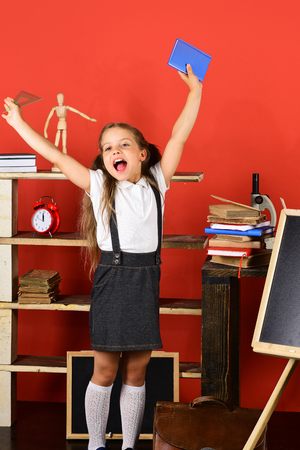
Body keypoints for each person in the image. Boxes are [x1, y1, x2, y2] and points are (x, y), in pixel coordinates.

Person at [2, 64, 203, 450]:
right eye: (108, 147)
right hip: (114, 281)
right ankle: (96, 444)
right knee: (106, 369)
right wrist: (18, 123)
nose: (115, 151)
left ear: (143, 154)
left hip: (146, 280)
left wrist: (195, 93)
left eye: (124, 144)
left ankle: (128, 445)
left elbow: (179, 135)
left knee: (138, 370)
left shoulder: (157, 183)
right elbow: (56, 156)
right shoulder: (98, 186)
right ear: (104, 160)